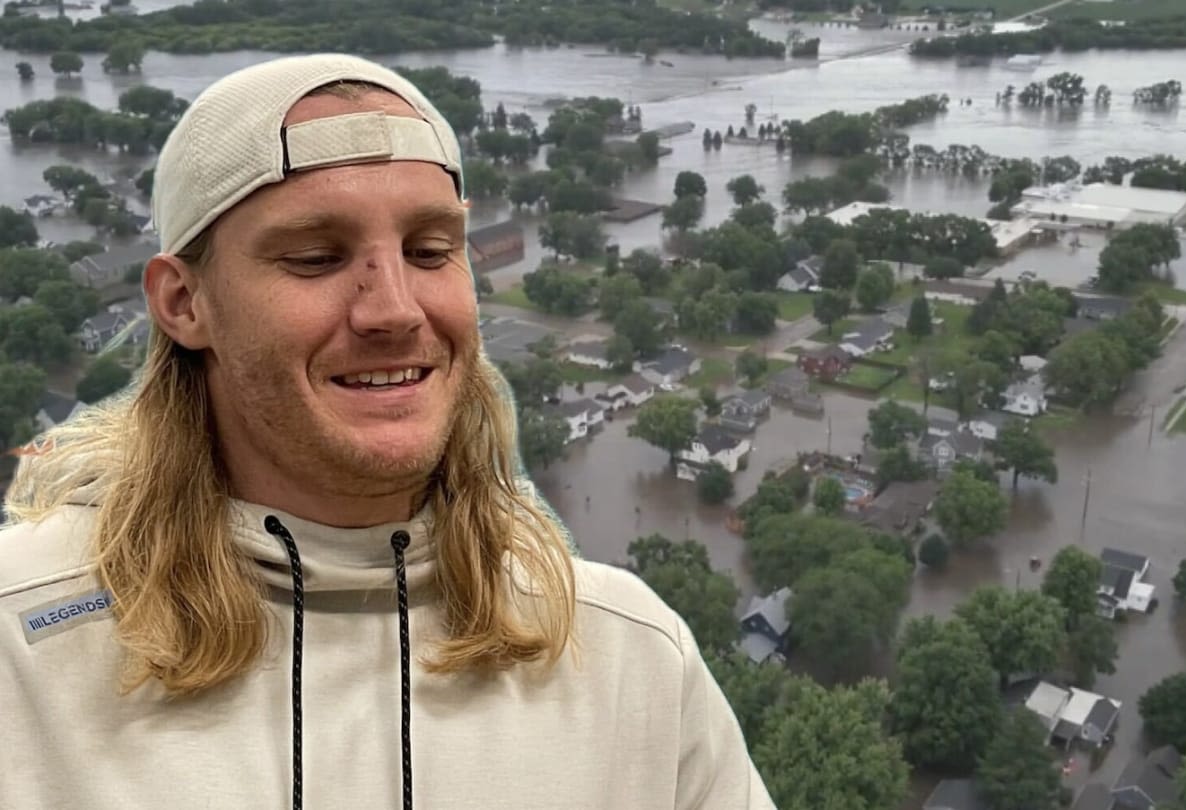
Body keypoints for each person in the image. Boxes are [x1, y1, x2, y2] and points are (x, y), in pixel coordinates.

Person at [0, 54, 774, 809]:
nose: (395, 309)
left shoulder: (630, 659)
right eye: (314, 257)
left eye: (431, 251)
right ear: (182, 303)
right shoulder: (21, 655)